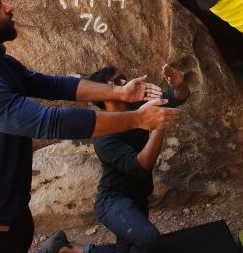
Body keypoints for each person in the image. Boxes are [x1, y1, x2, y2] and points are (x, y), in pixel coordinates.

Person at [0, 0, 182, 253]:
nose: (10, 8)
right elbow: (51, 122)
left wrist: (119, 91)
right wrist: (137, 119)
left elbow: (54, 85)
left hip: (4, 215)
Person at [39, 64, 191, 253]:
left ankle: (68, 249)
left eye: (122, 77)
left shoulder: (137, 108)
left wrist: (179, 84)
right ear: (104, 93)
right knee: (148, 239)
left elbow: (179, 96)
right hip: (113, 201)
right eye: (116, 81)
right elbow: (141, 166)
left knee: (131, 249)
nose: (125, 82)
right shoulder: (104, 135)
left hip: (138, 196)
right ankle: (74, 250)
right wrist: (159, 126)